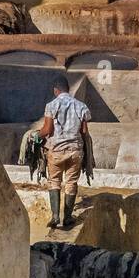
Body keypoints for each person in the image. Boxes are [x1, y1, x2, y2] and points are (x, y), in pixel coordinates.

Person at [40, 80, 91, 229]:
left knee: (54, 181)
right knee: (71, 182)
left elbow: (48, 130)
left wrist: (36, 136)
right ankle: (68, 217)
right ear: (67, 90)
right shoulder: (81, 106)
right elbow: (84, 132)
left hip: (56, 150)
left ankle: (55, 217)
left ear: (56, 90)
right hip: (75, 151)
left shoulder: (51, 105)